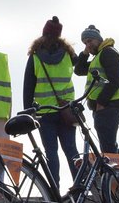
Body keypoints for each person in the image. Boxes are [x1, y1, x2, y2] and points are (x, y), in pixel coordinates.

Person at [23, 16, 79, 188]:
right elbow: (82, 67)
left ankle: (54, 190)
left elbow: (28, 88)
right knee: (72, 151)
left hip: (44, 112)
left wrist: (28, 112)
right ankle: (80, 188)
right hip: (67, 110)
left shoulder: (35, 57)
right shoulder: (69, 55)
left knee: (51, 153)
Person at [74, 24, 119, 153]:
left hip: (109, 106)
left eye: (90, 41)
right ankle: (113, 172)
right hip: (103, 107)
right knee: (107, 147)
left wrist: (101, 102)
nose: (88, 45)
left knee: (108, 148)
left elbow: (114, 80)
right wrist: (85, 53)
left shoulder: (108, 53)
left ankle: (115, 173)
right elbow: (79, 70)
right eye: (85, 43)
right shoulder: (98, 57)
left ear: (98, 39)